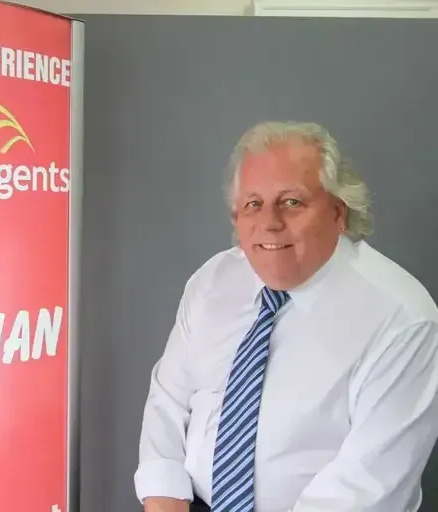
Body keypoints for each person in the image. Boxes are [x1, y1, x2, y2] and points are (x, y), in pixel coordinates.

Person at [134, 121, 438, 512]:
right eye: (253, 204)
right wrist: (164, 499)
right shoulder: (213, 281)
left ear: (338, 212)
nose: (270, 222)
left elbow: (366, 487)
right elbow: (169, 400)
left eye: (292, 202)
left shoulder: (403, 319)